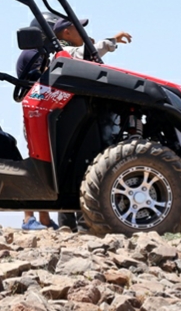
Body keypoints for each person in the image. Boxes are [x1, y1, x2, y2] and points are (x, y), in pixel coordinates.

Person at [18, 16, 131, 231]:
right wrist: (109, 41)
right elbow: (79, 56)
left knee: (63, 167)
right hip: (49, 115)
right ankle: (65, 222)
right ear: (65, 32)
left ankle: (62, 222)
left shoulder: (49, 52)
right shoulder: (54, 53)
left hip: (53, 114)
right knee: (65, 164)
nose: (81, 31)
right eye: (75, 28)